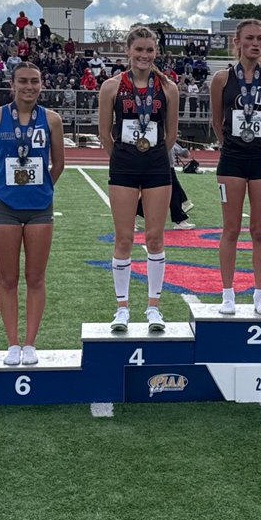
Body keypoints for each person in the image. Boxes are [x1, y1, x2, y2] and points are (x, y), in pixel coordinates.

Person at [0, 63, 65, 366]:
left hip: (40, 206)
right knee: (7, 278)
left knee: (36, 278)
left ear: (42, 84)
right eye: (23, 81)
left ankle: (30, 343)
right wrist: (3, 188)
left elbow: (59, 164)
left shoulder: (52, 120)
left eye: (35, 81)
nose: (29, 86)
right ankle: (12, 343)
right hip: (5, 206)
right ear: (12, 84)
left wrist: (41, 189)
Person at [97, 26, 180, 331]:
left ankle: (153, 307)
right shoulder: (111, 87)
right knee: (124, 238)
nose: (144, 55)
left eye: (149, 50)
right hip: (124, 165)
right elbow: (104, 133)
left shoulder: (168, 87)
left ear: (155, 52)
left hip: (157, 164)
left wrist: (152, 153)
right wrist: (122, 155)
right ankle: (121, 308)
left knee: (156, 238)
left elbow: (171, 134)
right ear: (127, 52)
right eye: (139, 50)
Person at [210, 19, 261, 315]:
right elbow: (217, 121)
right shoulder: (222, 79)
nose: (256, 44)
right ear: (237, 43)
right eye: (250, 39)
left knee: (260, 230)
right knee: (230, 228)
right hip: (232, 159)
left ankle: (259, 294)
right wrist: (231, 142)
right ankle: (228, 294)